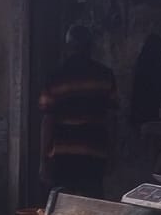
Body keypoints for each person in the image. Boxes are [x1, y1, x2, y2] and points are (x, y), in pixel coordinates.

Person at [39, 24, 118, 199]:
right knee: (92, 207)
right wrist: (112, 153)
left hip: (63, 154)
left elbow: (48, 120)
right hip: (94, 152)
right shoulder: (105, 76)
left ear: (68, 47)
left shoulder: (55, 76)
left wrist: (43, 159)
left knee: (62, 208)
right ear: (91, 46)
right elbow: (112, 119)